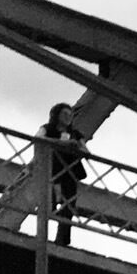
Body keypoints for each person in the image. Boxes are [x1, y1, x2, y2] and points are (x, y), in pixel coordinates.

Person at [39, 103, 87, 247]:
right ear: (57, 115)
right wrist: (60, 143)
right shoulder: (47, 128)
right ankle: (43, 235)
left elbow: (86, 151)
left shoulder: (76, 134)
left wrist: (76, 146)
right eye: (65, 114)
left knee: (69, 207)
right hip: (51, 169)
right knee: (49, 204)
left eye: (70, 115)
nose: (68, 118)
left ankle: (63, 240)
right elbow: (39, 139)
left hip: (70, 173)